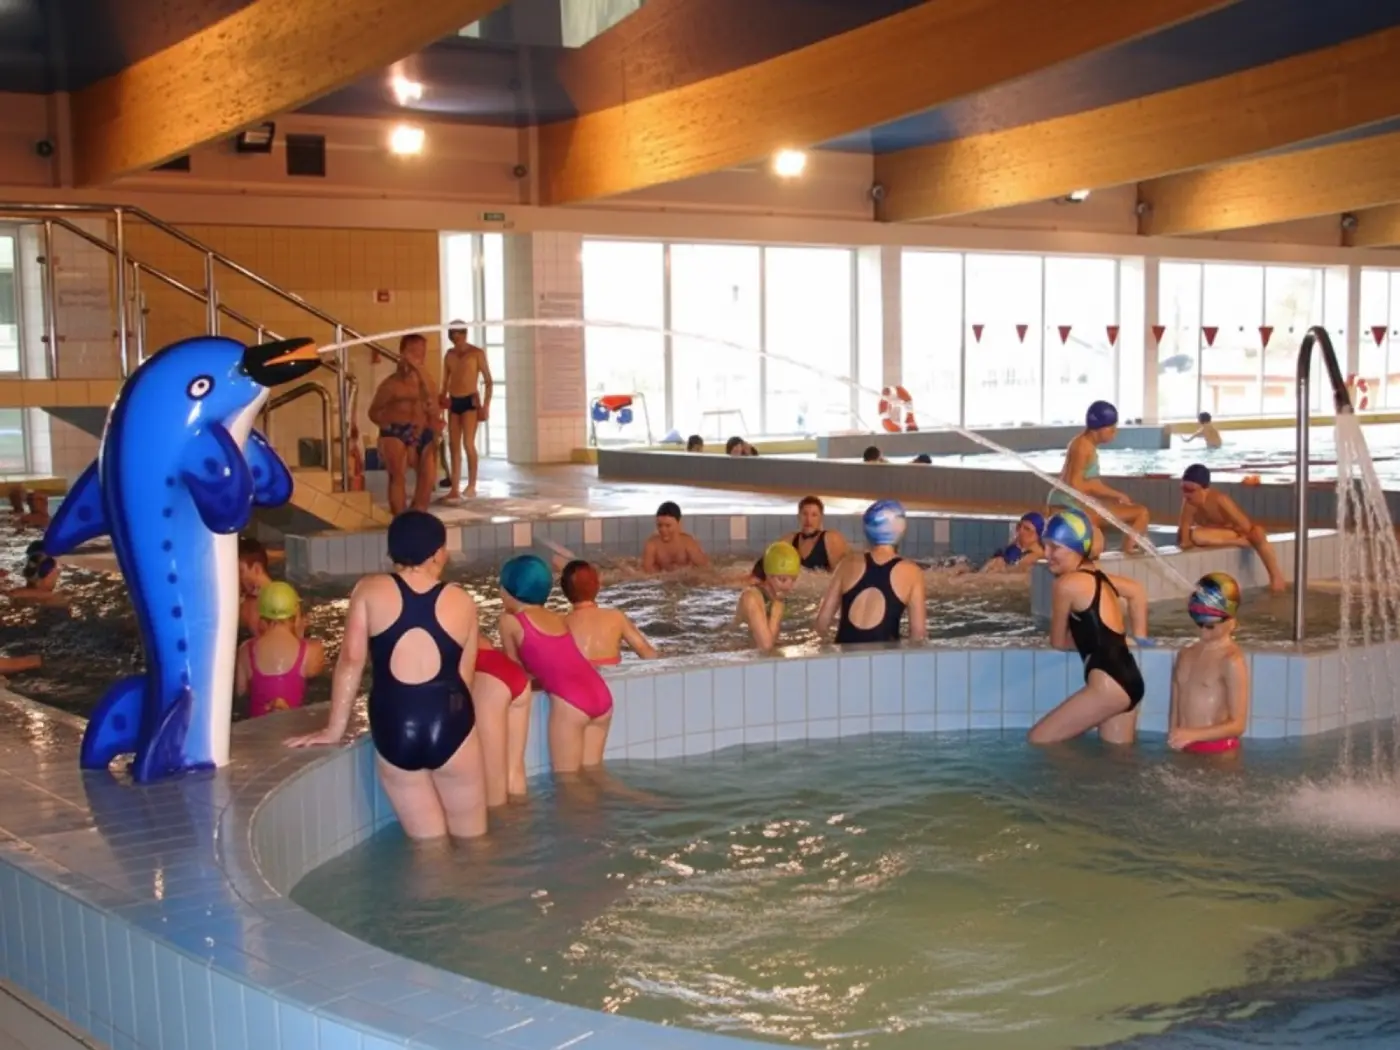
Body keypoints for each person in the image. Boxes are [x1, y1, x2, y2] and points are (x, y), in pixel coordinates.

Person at [286, 511, 487, 840]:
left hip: (395, 726)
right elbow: (465, 677)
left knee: (429, 849)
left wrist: (334, 729)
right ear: (437, 554)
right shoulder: (461, 600)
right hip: (450, 722)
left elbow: (351, 661)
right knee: (474, 842)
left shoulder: (368, 590)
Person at [1028, 509, 1149, 746]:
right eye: (1045, 546)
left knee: (1039, 740)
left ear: (1075, 548)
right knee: (1116, 760)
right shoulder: (1099, 577)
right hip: (1130, 678)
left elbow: (1058, 642)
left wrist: (1083, 640)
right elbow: (1135, 591)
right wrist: (1140, 637)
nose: (1047, 554)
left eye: (1055, 547)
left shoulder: (1066, 584)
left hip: (1108, 685)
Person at [497, 555, 614, 773]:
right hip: (601, 694)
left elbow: (515, 673)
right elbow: (560, 662)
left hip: (571, 704)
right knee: (595, 776)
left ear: (511, 590)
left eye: (501, 587)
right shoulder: (558, 618)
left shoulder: (509, 621)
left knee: (568, 783)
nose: (500, 593)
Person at [816, 499, 927, 644]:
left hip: (842, 654)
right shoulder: (912, 572)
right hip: (882, 656)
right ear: (901, 529)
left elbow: (821, 623)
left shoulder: (846, 564)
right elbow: (918, 635)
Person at [1047, 400, 1150, 555]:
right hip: (1069, 506)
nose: (1115, 432)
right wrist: (1110, 496)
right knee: (1141, 513)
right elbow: (1075, 485)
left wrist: (1115, 495)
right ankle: (1128, 554)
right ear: (1100, 427)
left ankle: (1128, 550)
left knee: (1118, 510)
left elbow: (1091, 483)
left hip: (1064, 503)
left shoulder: (1081, 443)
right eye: (1112, 429)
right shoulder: (1084, 447)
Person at [1168, 573, 1249, 756]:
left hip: (1219, 753)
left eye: (1210, 626)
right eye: (1198, 624)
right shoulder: (1184, 655)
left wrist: (1193, 735)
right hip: (1184, 748)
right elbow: (1175, 711)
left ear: (1232, 622)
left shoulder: (1231, 660)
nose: (1203, 631)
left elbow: (1238, 724)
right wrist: (1173, 738)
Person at [1177, 463, 1285, 592]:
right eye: (1183, 489)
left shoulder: (1220, 500)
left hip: (1233, 533)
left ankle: (1276, 577)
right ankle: (1236, 542)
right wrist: (1186, 544)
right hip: (1220, 537)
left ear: (1205, 489)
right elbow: (1184, 536)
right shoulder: (1189, 504)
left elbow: (1246, 526)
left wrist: (1246, 537)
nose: (1186, 494)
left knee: (1257, 532)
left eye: (1190, 490)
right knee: (1196, 535)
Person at [369, 333, 441, 515]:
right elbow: (373, 412)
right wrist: (386, 426)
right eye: (413, 352)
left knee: (428, 477)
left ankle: (417, 515)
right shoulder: (391, 384)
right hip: (396, 431)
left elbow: (433, 403)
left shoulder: (426, 382)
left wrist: (434, 423)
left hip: (421, 429)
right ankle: (399, 517)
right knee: (397, 475)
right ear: (402, 353)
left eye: (421, 352)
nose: (417, 356)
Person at [234, 581, 326, 718]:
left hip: (257, 727)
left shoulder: (245, 651)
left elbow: (241, 694)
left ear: (261, 616)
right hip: (296, 726)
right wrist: (299, 636)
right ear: (296, 614)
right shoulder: (312, 651)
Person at [561, 559, 658, 665]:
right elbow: (648, 654)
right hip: (612, 673)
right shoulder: (616, 617)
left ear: (564, 591)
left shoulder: (560, 624)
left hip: (576, 672)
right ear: (597, 586)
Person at [474, 635, 533, 806]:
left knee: (493, 779)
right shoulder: (467, 622)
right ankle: (521, 819)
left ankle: (502, 822)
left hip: (485, 673)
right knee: (514, 770)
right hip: (509, 670)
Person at [439, 321, 493, 501]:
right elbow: (445, 381)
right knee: (453, 445)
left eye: (459, 333)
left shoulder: (476, 353)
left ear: (464, 334)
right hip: (454, 401)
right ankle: (454, 488)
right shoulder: (449, 355)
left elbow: (488, 380)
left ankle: (471, 485)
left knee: (468, 443)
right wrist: (442, 398)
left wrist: (486, 405)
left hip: (470, 400)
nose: (456, 337)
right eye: (453, 334)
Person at [736, 542, 801, 651]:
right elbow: (766, 646)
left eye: (793, 580)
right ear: (768, 575)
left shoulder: (775, 598)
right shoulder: (751, 597)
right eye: (782, 580)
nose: (788, 587)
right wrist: (777, 607)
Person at [642, 501, 709, 572]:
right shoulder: (652, 544)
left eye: (668, 526)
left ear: (679, 523)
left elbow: (705, 567)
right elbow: (646, 570)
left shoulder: (688, 542)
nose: (663, 530)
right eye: (660, 525)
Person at [237, 537, 274, 636]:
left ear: (257, 569)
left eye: (240, 571)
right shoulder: (246, 599)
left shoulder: (279, 602)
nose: (237, 578)